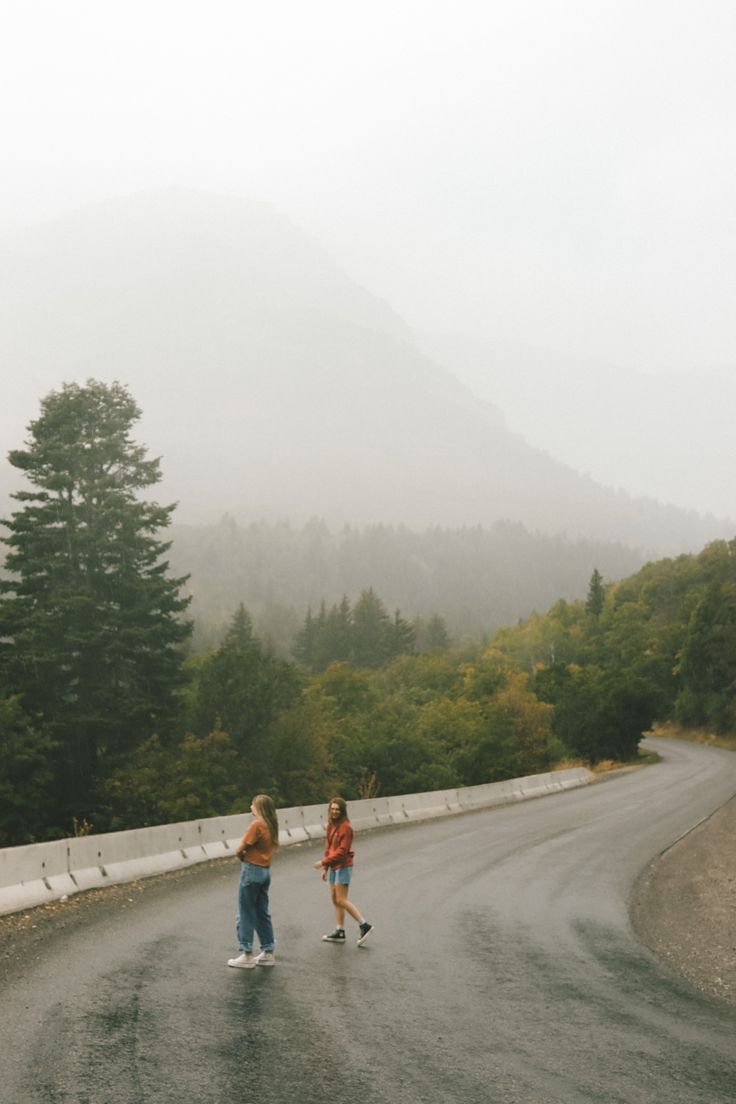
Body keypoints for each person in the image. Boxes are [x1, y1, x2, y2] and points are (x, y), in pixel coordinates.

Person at [227, 794, 279, 968]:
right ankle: (268, 951)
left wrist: (242, 857)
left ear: (260, 808)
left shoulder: (257, 824)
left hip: (252, 869)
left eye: (253, 805)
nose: (251, 807)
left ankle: (247, 953)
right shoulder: (271, 825)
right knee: (262, 911)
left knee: (245, 910)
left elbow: (240, 848)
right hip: (265, 871)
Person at [314, 796, 373, 946]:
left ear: (342, 811)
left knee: (341, 899)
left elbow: (342, 851)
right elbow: (329, 848)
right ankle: (339, 931)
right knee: (335, 899)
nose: (334, 812)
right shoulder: (331, 825)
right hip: (333, 866)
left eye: (337, 810)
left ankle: (364, 925)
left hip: (344, 866)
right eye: (332, 809)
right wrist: (326, 868)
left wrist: (322, 863)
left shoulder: (346, 827)